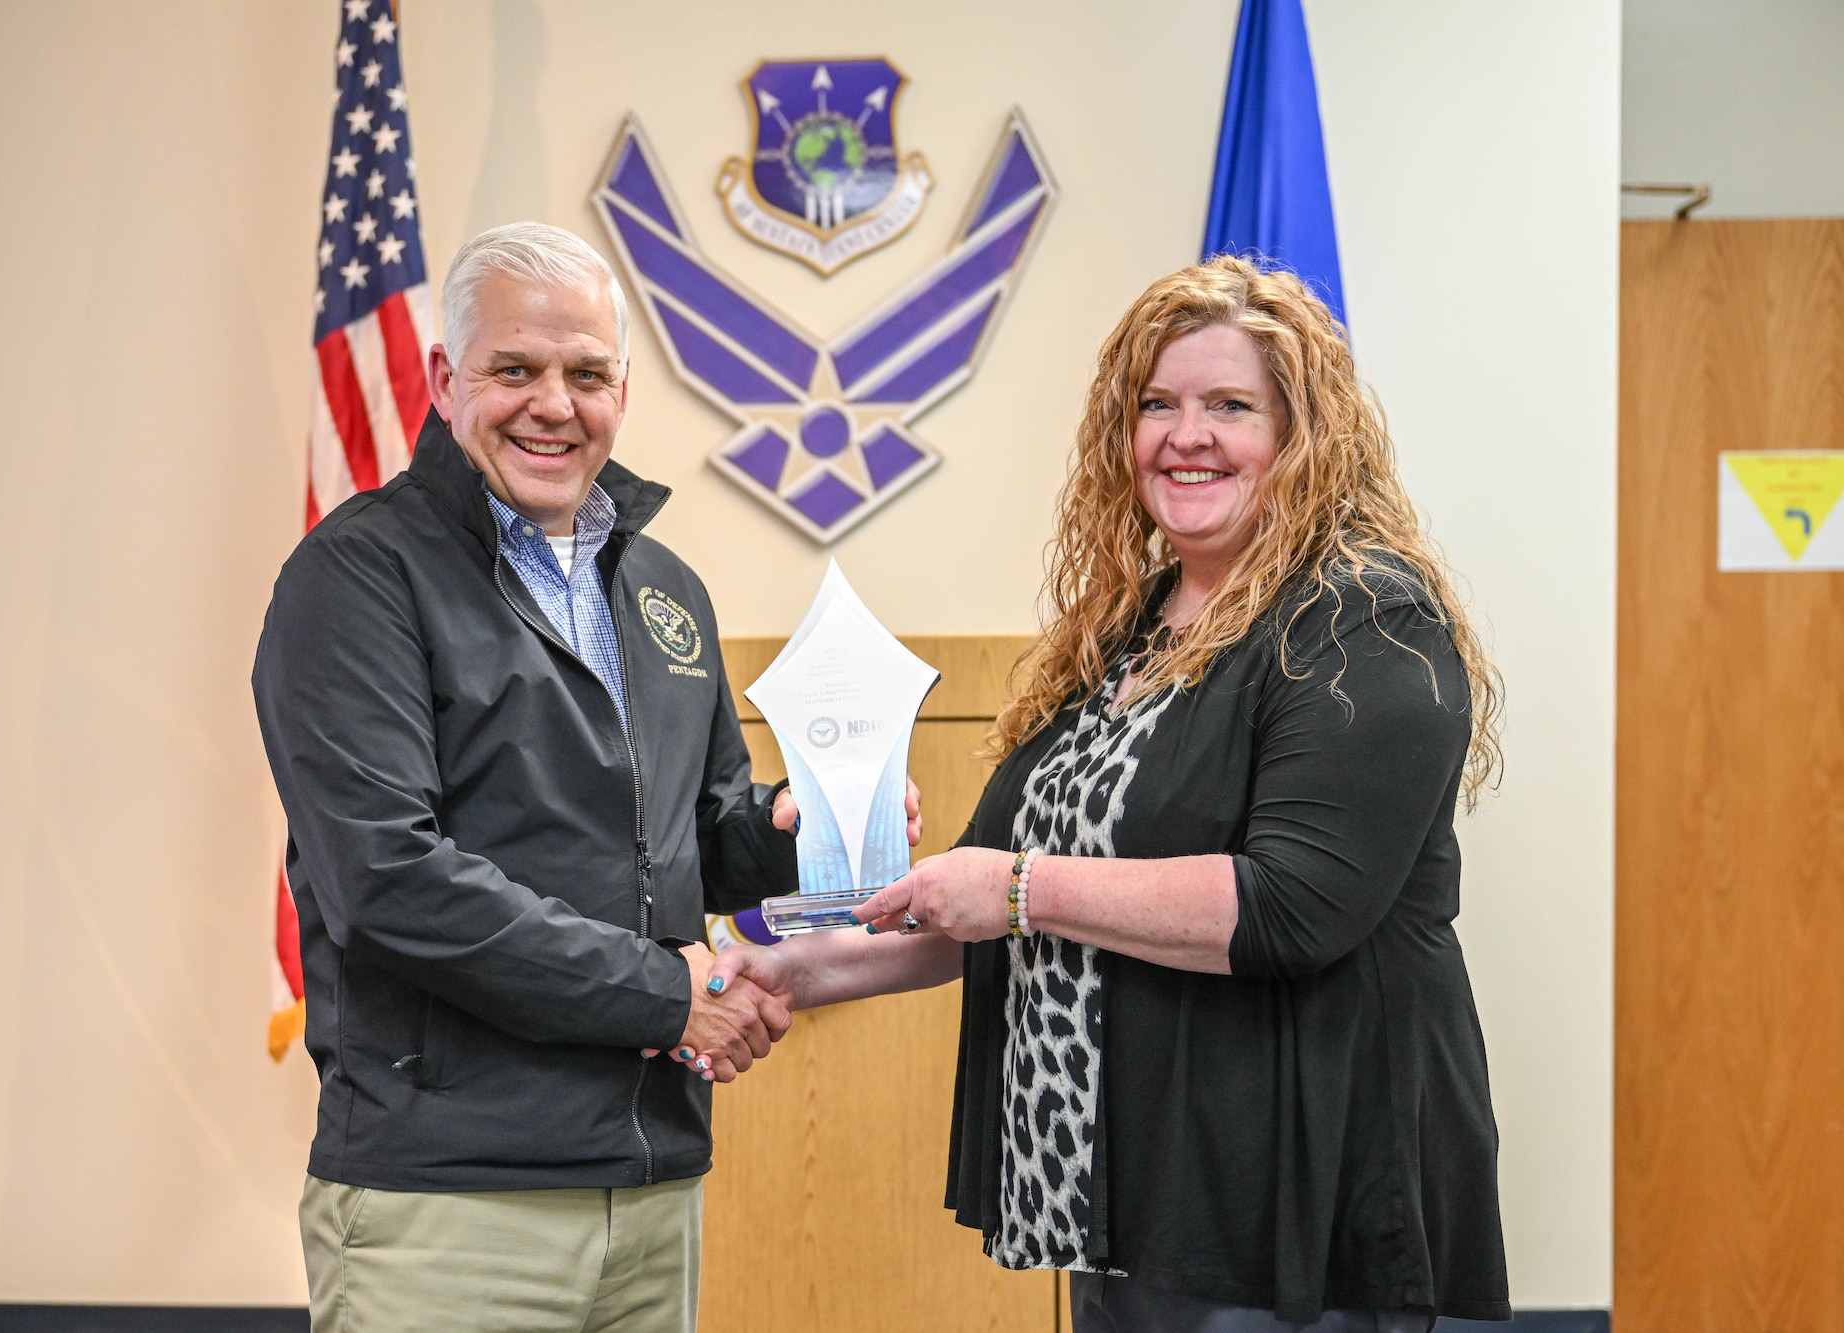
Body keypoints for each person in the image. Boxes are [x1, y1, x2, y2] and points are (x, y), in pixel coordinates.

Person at [708, 256, 1514, 1330]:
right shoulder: (1124, 631)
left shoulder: (1360, 621)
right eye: (1155, 405)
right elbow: (965, 906)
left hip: (1298, 1207)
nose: (1187, 435)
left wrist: (1016, 890)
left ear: (1302, 434)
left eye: (1230, 406)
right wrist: (765, 973)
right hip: (1129, 1198)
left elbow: (1290, 906)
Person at [252, 222, 831, 1333]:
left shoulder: (666, 590)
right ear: (441, 381)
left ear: (621, 390)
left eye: (585, 374)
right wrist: (673, 996)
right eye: (513, 369)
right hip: (451, 1200)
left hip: (651, 1189)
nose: (551, 404)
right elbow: (391, 882)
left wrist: (796, 827)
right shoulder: (354, 579)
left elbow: (691, 837)